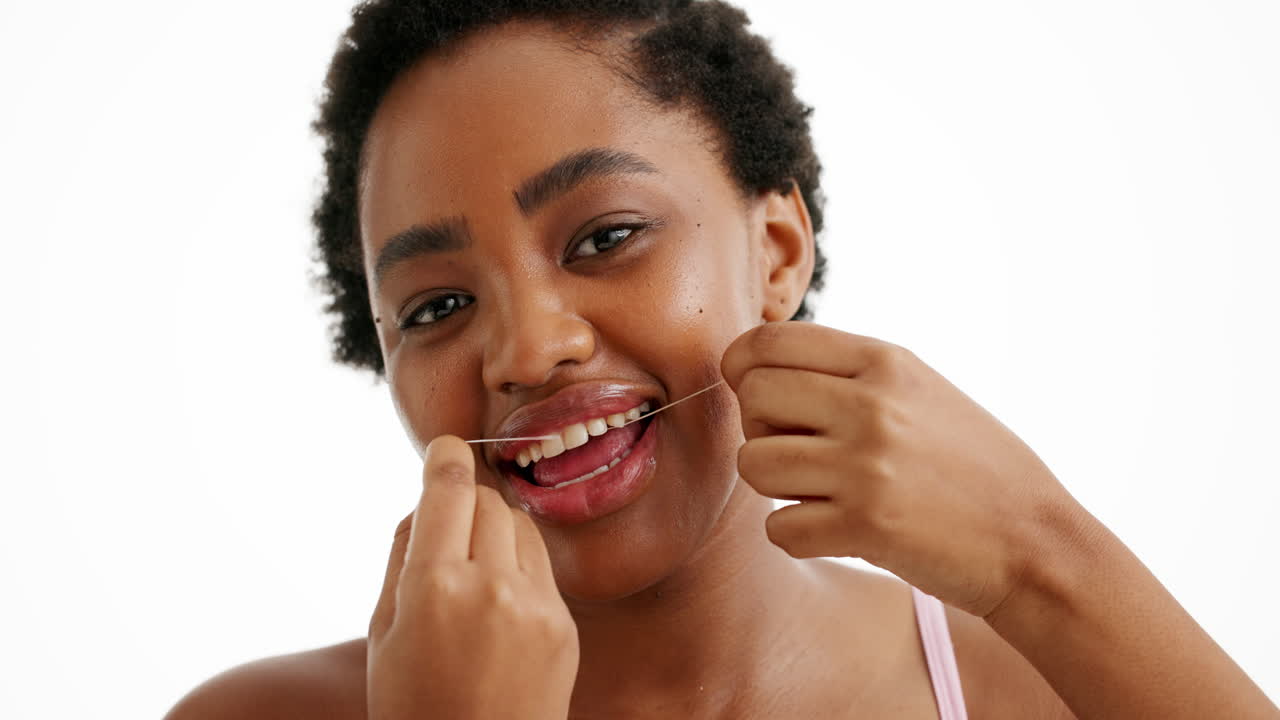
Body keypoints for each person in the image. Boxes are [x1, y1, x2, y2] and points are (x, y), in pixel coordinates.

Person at [166, 1, 1278, 717]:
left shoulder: (1027, 687)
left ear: (776, 252)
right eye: (437, 305)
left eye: (606, 238)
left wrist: (1046, 555)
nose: (529, 350)